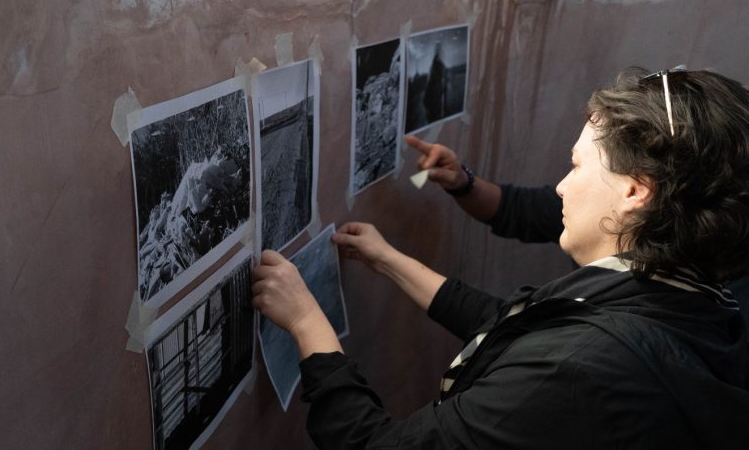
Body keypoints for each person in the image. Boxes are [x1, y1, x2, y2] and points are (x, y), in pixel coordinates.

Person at [252, 68, 749, 449]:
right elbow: (514, 325)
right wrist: (389, 260)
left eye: (576, 166)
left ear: (635, 191)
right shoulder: (684, 293)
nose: (560, 185)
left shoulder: (576, 367)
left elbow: (376, 445)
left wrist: (304, 322)